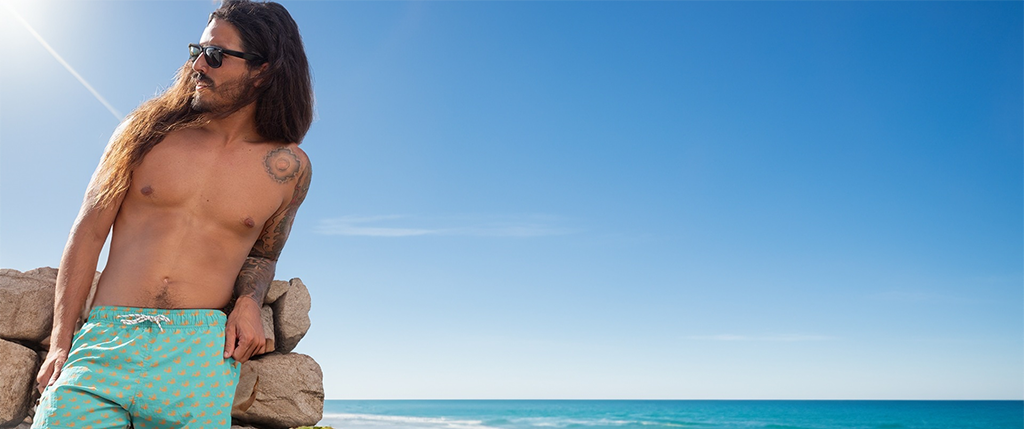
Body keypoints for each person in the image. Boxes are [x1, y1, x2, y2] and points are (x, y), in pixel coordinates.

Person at [31, 1, 313, 428]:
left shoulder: (288, 168)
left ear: (263, 71)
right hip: (107, 338)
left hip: (199, 353)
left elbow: (264, 254)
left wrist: (249, 302)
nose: (199, 64)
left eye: (216, 55)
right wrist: (59, 343)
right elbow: (87, 233)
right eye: (196, 51)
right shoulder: (144, 132)